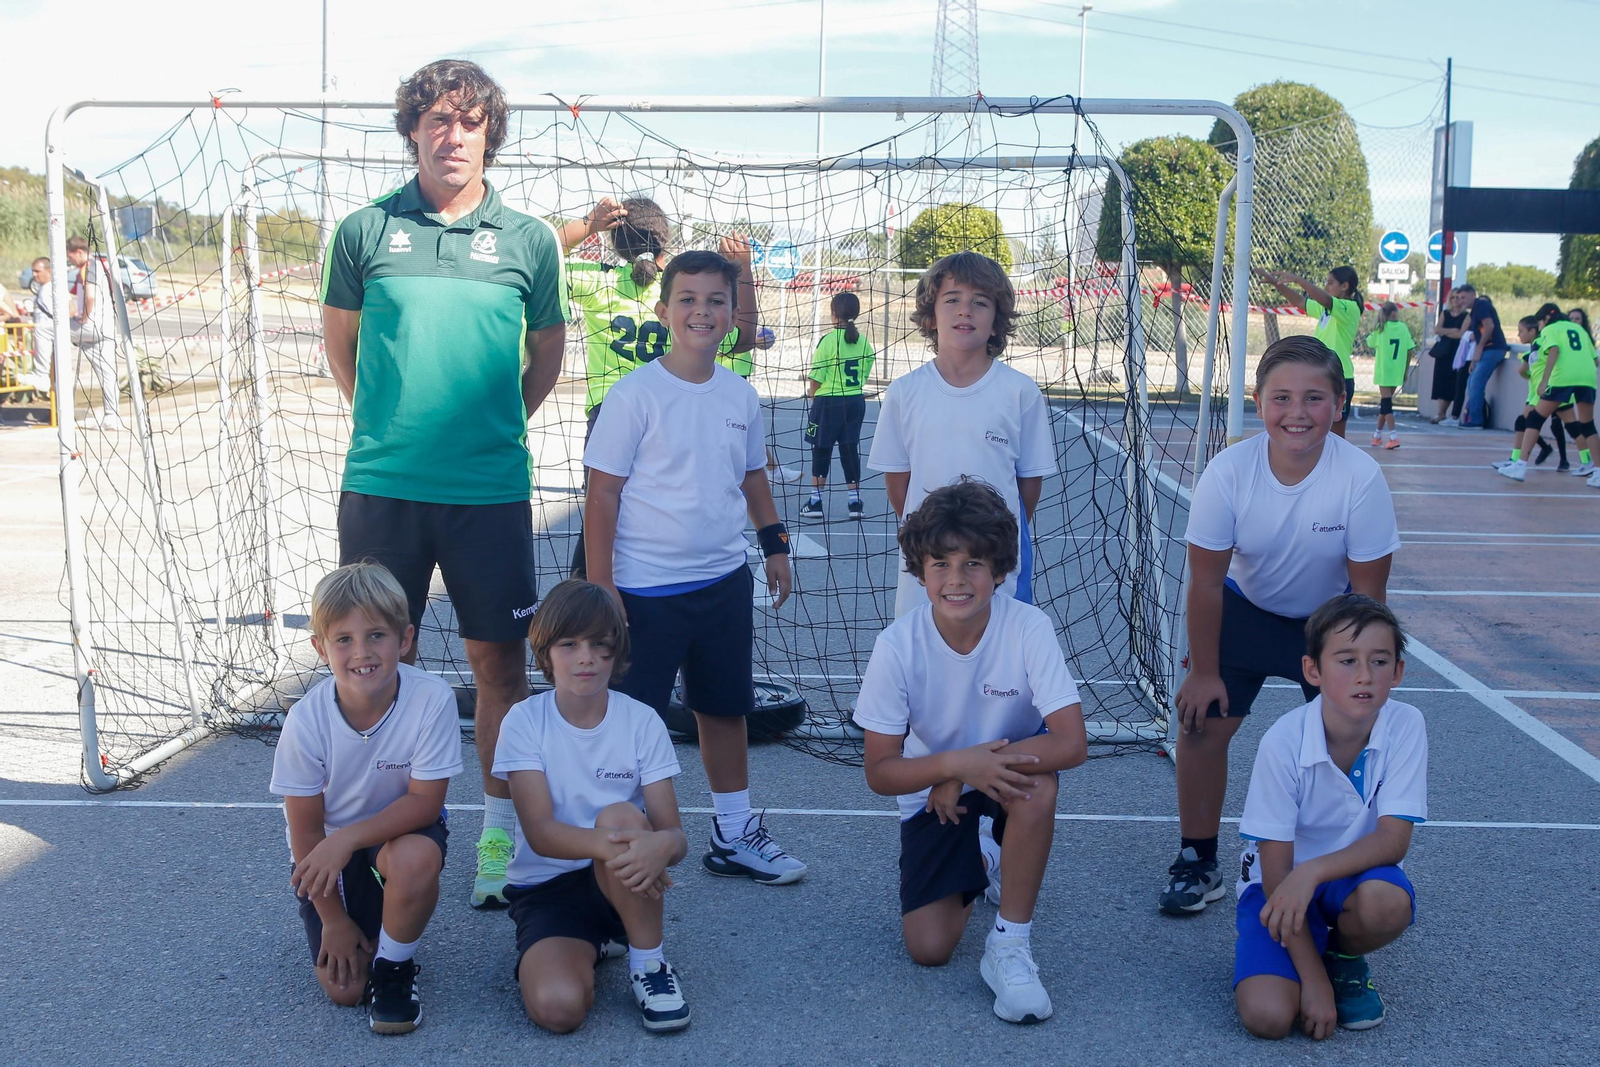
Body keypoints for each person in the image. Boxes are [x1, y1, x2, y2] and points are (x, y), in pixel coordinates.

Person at [320, 59, 568, 909]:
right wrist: (397, 428)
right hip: (383, 485)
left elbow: (545, 359)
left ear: (489, 132)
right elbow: (343, 349)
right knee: (379, 665)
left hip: (490, 491)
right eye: (436, 119)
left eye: (468, 121)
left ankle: (497, 848)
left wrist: (487, 427)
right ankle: (390, 838)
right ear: (413, 131)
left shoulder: (529, 241)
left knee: (500, 667)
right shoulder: (363, 232)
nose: (452, 134)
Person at [583, 249, 807, 885]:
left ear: (733, 316)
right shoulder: (635, 396)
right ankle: (614, 832)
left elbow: (752, 476)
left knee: (724, 707)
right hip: (643, 589)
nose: (701, 311)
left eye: (716, 301)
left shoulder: (740, 394)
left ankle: (734, 833)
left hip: (721, 582)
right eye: (688, 299)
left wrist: (775, 545)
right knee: (629, 717)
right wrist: (602, 585)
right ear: (663, 311)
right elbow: (602, 493)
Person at [1162, 335, 1399, 917]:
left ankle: (1341, 864)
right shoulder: (1229, 472)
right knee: (1200, 724)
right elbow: (1207, 582)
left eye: (1314, 398)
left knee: (1349, 737)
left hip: (1332, 620)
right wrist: (1205, 671)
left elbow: (1368, 598)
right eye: (1282, 397)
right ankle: (1198, 860)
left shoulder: (1360, 478)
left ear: (1339, 404)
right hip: (1243, 612)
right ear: (1258, 400)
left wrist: (1363, 674)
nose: (1298, 413)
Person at [854, 479, 1088, 1024]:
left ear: (1001, 570)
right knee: (929, 949)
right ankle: (982, 854)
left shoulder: (1028, 627)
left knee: (1038, 785)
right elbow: (881, 772)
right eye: (940, 564)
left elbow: (1070, 742)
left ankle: (1009, 944)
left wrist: (972, 770)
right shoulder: (897, 646)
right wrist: (954, 766)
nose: (956, 580)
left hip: (1000, 783)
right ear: (919, 571)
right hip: (939, 792)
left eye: (973, 565)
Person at [269, 562, 463, 1035]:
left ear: (406, 638)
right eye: (344, 640)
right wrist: (332, 920)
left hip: (398, 836)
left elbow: (425, 804)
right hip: (328, 856)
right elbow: (307, 833)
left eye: (376, 635)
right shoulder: (306, 721)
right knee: (344, 992)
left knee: (417, 856)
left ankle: (393, 967)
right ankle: (371, 933)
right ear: (320, 647)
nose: (362, 652)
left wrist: (349, 839)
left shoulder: (432, 699)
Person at [495, 580, 691, 1034]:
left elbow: (675, 836)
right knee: (558, 1010)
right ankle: (597, 942)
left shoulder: (641, 721)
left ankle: (649, 964)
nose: (586, 657)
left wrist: (660, 846)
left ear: (617, 653)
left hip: (620, 876)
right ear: (545, 652)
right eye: (570, 644)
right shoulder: (524, 721)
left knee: (621, 816)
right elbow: (541, 832)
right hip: (548, 888)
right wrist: (624, 845)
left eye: (600, 645)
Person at [1233, 594, 1426, 1039]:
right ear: (1312, 671)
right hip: (1276, 887)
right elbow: (1278, 876)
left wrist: (1314, 872)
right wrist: (1311, 983)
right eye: (1346, 660)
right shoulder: (1282, 742)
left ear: (1397, 671)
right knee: (1269, 1019)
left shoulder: (1406, 724)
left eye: (1379, 661)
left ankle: (1339, 959)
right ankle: (1308, 962)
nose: (1364, 675)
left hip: (1348, 879)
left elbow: (1394, 841)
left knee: (1386, 904)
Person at [868, 251, 1056, 617]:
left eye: (980, 302)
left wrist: (991, 538)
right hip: (928, 560)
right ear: (931, 314)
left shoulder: (1020, 392)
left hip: (996, 562)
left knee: (999, 658)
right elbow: (898, 482)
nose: (965, 310)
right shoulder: (905, 392)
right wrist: (932, 537)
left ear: (998, 320)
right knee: (924, 657)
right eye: (952, 299)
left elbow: (1028, 485)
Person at [1253, 267, 1363, 438]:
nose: (1326, 287)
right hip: (1321, 374)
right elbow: (1300, 303)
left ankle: (1337, 464)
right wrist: (1277, 284)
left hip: (1341, 375)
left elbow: (1326, 299)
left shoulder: (1350, 308)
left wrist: (1298, 279)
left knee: (1336, 432)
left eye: (1330, 283)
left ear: (1345, 286)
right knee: (1316, 430)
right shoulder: (1326, 311)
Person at [1500, 304, 1600, 484]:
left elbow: (1554, 350)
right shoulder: (1579, 329)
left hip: (1563, 377)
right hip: (1587, 377)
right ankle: (1598, 472)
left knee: (1535, 419)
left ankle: (1520, 466)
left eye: (1539, 323)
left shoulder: (1550, 330)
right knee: (1587, 425)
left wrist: (1545, 380)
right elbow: (1595, 359)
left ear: (1545, 319)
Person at [800, 291, 875, 521]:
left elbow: (816, 377)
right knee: (849, 449)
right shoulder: (864, 342)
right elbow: (864, 372)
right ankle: (855, 502)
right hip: (855, 401)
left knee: (821, 449)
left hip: (828, 402)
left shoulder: (828, 341)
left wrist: (815, 401)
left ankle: (815, 502)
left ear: (834, 315)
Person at [1494, 315, 1571, 475]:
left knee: (1527, 422)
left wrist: (1538, 379)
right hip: (1541, 390)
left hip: (1544, 390)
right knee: (1556, 424)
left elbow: (1525, 369)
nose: (1519, 335)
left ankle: (1518, 460)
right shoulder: (1536, 345)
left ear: (1533, 330)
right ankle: (1561, 458)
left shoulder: (1540, 343)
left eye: (1521, 331)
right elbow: (1523, 369)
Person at [65, 236, 125, 429]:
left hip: (91, 325)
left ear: (79, 252)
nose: (70, 261)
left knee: (48, 329)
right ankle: (111, 416)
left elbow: (89, 296)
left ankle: (42, 375)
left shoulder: (90, 267)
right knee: (108, 373)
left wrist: (84, 316)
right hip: (107, 326)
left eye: (71, 257)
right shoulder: (104, 266)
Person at [1457, 283, 1508, 428]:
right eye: (1459, 298)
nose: (1461, 301)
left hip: (1493, 349)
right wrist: (1474, 359)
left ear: (1473, 295)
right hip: (1485, 350)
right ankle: (1474, 416)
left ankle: (1477, 420)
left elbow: (1489, 326)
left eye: (1464, 297)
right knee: (1471, 382)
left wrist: (1479, 348)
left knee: (1477, 382)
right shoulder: (1473, 311)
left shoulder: (1481, 306)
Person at [1364, 302, 1414, 449]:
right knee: (1386, 404)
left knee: (1386, 403)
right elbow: (1410, 350)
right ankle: (1377, 435)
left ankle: (1393, 436)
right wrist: (1405, 371)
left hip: (1384, 371)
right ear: (1394, 313)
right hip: (1397, 370)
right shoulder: (1403, 328)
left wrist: (1374, 328)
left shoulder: (1381, 329)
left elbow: (1370, 343)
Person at [1427, 288, 1469, 424]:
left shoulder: (1466, 316)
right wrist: (1452, 331)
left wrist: (1446, 332)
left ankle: (1445, 413)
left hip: (1457, 351)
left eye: (1459, 297)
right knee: (1441, 381)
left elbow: (1461, 334)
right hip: (1443, 351)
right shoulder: (1445, 313)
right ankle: (1441, 413)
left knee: (1452, 383)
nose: (1456, 300)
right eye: (1453, 297)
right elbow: (1437, 329)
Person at [19, 257, 55, 395]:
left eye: (37, 271)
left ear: (48, 271)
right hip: (49, 330)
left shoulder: (51, 288)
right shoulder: (44, 289)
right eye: (33, 271)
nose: (34, 275)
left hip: (49, 331)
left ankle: (41, 374)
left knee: (41, 330)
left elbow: (69, 309)